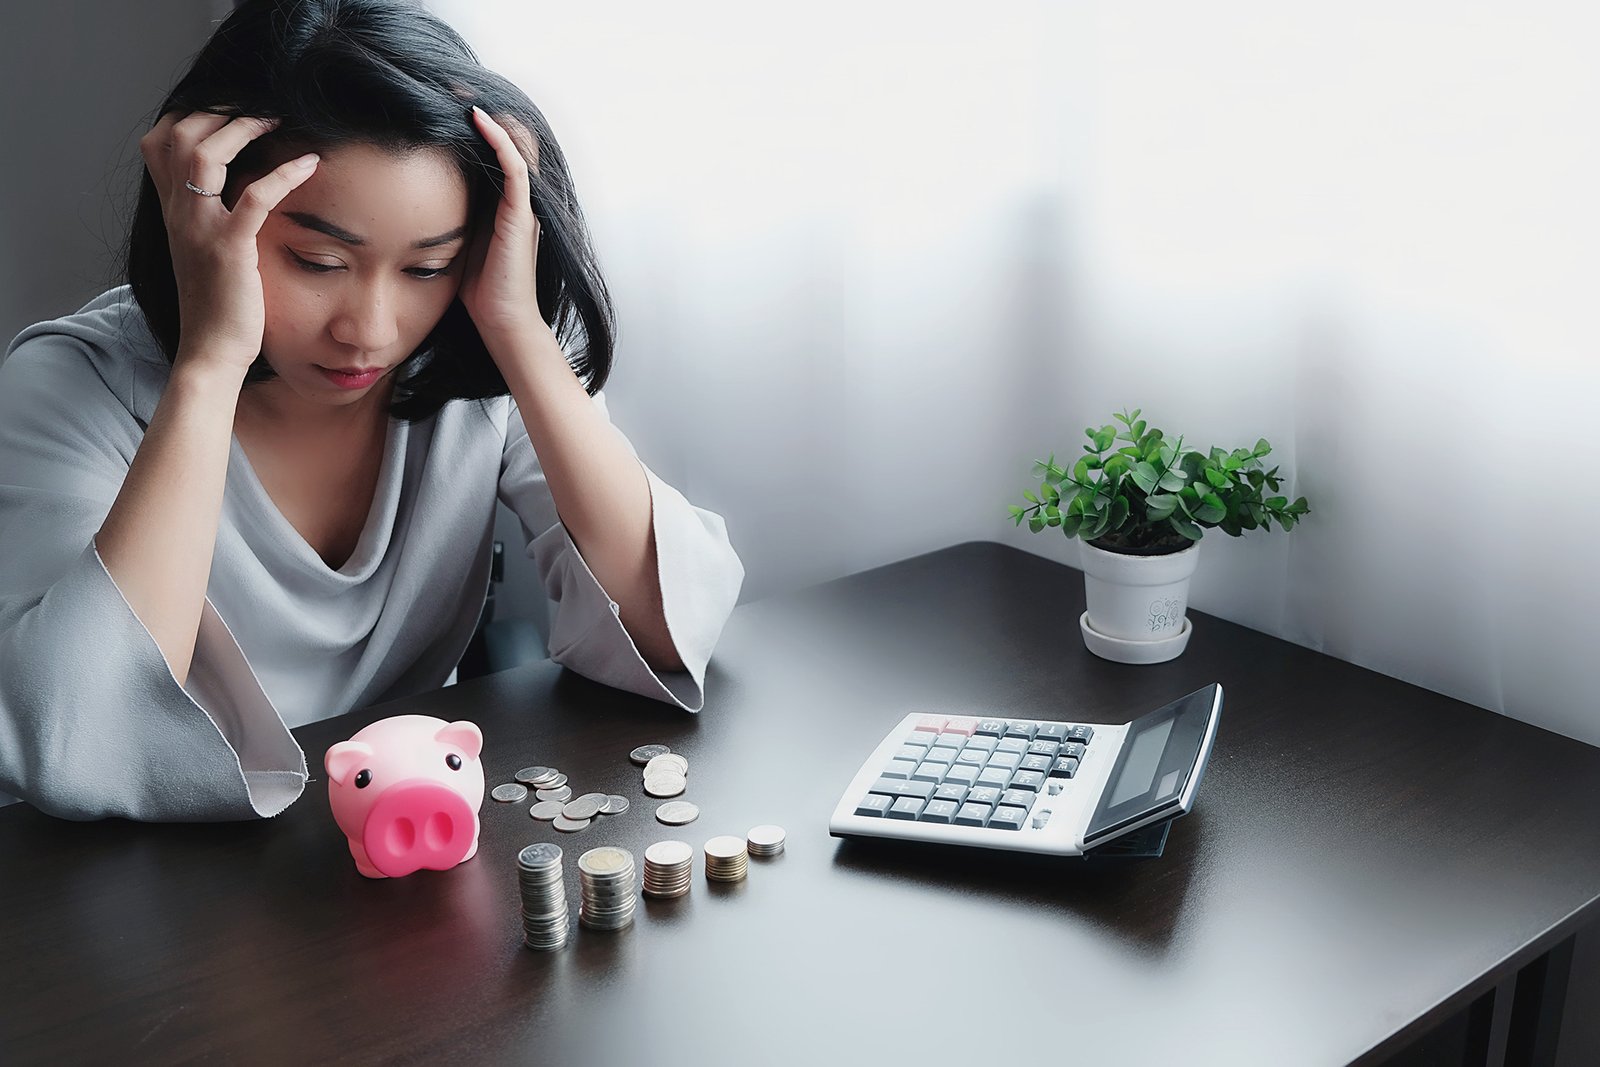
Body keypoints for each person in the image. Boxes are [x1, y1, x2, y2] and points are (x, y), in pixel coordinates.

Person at [0, 0, 744, 821]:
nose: (371, 332)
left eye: (428, 267)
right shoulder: (71, 384)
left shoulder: (471, 363)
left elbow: (673, 626)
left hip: (395, 871)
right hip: (139, 900)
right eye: (318, 261)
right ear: (200, 215)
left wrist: (517, 330)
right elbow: (74, 742)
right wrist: (209, 367)